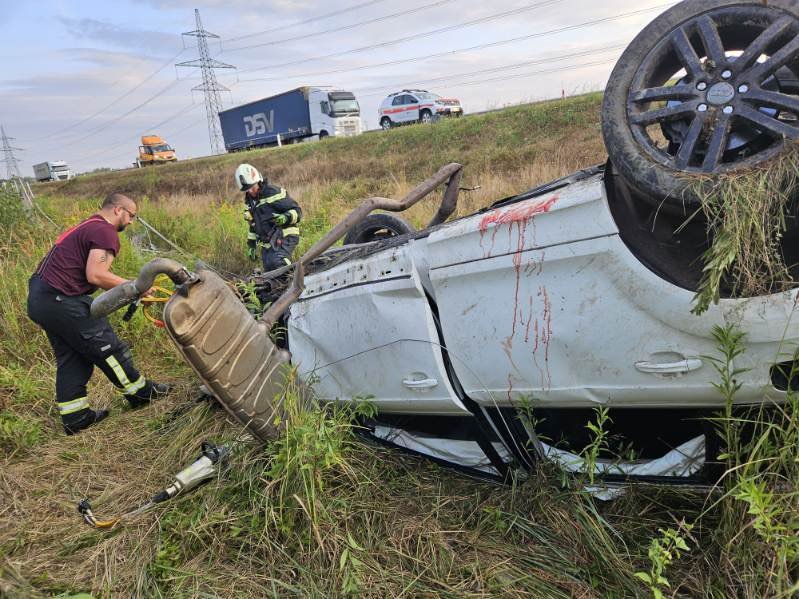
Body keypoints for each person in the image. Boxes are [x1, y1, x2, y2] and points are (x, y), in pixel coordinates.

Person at [27, 192, 170, 435]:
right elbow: (96, 275)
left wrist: (132, 288)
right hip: (62, 299)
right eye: (131, 215)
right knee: (106, 346)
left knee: (73, 357)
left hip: (42, 299)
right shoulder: (105, 231)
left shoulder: (87, 226)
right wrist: (137, 287)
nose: (132, 221)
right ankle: (141, 393)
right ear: (118, 210)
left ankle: (76, 417)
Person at [235, 163, 302, 272]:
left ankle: (296, 277)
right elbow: (253, 226)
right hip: (268, 241)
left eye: (252, 187)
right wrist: (251, 246)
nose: (250, 191)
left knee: (277, 261)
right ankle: (282, 287)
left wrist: (286, 217)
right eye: (247, 189)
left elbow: (297, 212)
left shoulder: (273, 192)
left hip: (285, 234)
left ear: (258, 181)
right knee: (269, 267)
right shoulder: (250, 202)